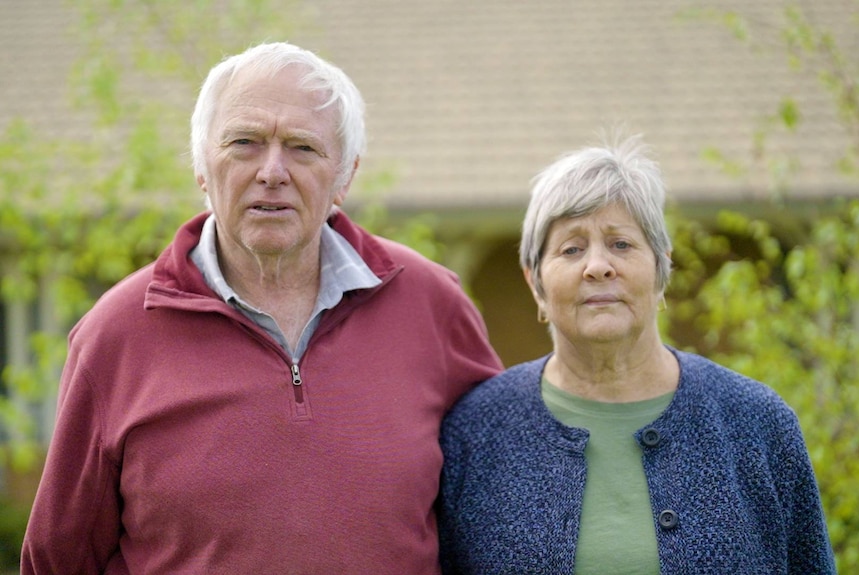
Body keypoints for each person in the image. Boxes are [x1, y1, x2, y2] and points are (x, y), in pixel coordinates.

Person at [21, 41, 502, 574]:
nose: (272, 171)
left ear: (344, 176)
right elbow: (58, 559)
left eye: (302, 148)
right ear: (203, 166)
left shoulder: (430, 304)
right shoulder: (116, 334)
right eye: (244, 142)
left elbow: (498, 504)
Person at [437, 134, 836, 574]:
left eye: (621, 244)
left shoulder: (757, 423)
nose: (598, 265)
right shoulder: (474, 434)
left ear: (661, 270)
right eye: (571, 249)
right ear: (536, 284)